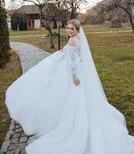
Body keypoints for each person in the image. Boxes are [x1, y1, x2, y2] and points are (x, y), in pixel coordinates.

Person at [5, 19, 134, 154]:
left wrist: (73, 75)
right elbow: (77, 55)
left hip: (72, 72)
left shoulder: (73, 40)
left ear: (77, 30)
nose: (69, 31)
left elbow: (72, 61)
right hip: (77, 69)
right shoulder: (77, 39)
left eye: (72, 29)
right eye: (67, 28)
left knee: (67, 94)